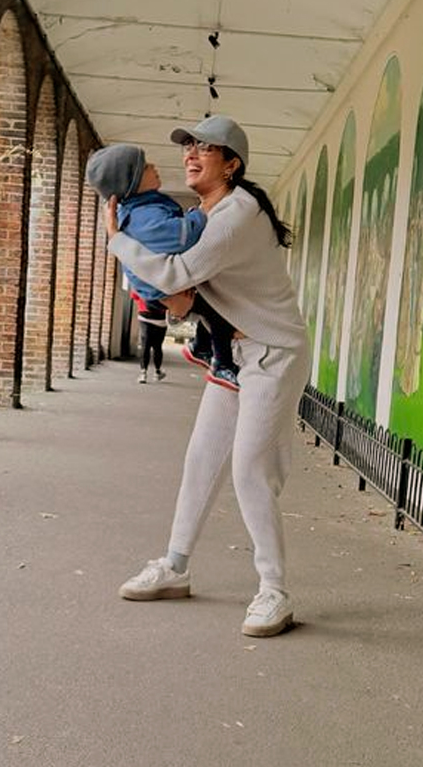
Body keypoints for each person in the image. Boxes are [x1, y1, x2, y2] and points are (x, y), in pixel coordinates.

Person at [105, 115, 311, 637]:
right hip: (234, 355)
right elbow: (193, 294)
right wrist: (184, 306)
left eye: (206, 148)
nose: (191, 154)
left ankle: (274, 591)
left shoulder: (236, 214)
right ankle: (174, 567)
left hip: (272, 354)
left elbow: (176, 274)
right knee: (201, 460)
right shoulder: (204, 212)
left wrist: (117, 239)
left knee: (249, 470)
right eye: (188, 146)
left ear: (232, 163)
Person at [86, 143, 240, 391]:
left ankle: (202, 346)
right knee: (218, 312)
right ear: (132, 181)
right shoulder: (143, 217)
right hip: (161, 290)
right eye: (146, 166)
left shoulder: (143, 209)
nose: (154, 167)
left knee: (212, 307)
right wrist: (201, 213)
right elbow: (181, 236)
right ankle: (221, 363)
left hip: (161, 286)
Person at [130, 290, 167, 383]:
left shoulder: (141, 281)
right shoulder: (162, 283)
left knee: (145, 345)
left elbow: (134, 296)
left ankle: (143, 374)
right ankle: (157, 372)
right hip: (160, 319)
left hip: (144, 316)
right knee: (157, 347)